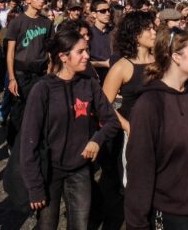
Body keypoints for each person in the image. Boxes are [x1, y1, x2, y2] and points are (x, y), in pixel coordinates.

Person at [20, 29, 120, 230]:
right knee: (47, 224)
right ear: (63, 56)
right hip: (49, 171)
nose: (87, 56)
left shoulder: (89, 84)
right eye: (80, 51)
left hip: (80, 169)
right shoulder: (43, 89)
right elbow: (29, 140)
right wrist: (35, 186)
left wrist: (96, 140)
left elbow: (111, 121)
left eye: (87, 50)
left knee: (80, 225)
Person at [125, 26, 188, 229]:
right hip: (167, 216)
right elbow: (140, 169)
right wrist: (137, 223)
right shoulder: (149, 105)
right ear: (176, 57)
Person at [91, 11, 156, 230]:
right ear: (136, 34)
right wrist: (126, 125)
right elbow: (104, 103)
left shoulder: (161, 61)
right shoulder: (122, 66)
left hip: (158, 131)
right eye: (149, 28)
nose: (154, 32)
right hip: (133, 134)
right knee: (135, 186)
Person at [5, 0, 53, 146]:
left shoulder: (47, 23)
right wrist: (11, 78)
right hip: (21, 73)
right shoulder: (17, 22)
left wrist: (50, 72)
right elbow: (10, 52)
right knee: (19, 111)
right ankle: (14, 144)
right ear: (28, 0)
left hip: (41, 73)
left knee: (39, 110)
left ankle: (34, 143)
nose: (41, 1)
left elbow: (50, 50)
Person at [88, 0, 114, 84]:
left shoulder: (114, 32)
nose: (107, 13)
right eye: (103, 11)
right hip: (95, 78)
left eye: (109, 10)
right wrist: (104, 64)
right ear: (94, 14)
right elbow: (83, 61)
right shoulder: (88, 34)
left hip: (113, 77)